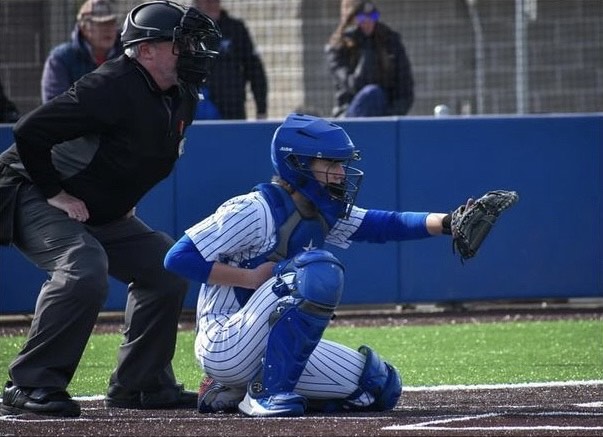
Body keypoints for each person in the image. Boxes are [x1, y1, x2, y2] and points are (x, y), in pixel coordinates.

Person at [163, 112, 467, 417]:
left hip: (267, 344)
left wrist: (448, 223)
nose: (340, 173)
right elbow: (177, 257)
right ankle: (263, 394)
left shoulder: (321, 209)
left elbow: (382, 224)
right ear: (298, 164)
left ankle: (236, 389)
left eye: (341, 164)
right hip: (225, 341)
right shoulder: (254, 210)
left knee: (377, 386)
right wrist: (250, 278)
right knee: (317, 272)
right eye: (330, 164)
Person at [0, 0, 221, 417]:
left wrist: (119, 204)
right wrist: (54, 193)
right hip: (29, 189)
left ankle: (141, 385)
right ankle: (30, 382)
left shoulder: (181, 94)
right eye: (181, 44)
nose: (191, 51)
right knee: (84, 267)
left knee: (167, 266)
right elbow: (29, 131)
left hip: (97, 206)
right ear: (147, 50)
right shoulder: (110, 85)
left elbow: (143, 157)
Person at [325, 0, 414, 118]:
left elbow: (405, 89)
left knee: (375, 95)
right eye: (362, 18)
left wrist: (391, 115)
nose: (368, 22)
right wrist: (365, 46)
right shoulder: (337, 48)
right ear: (351, 19)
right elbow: (355, 85)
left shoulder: (390, 42)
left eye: (373, 16)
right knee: (371, 94)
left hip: (385, 113)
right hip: (349, 113)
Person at [192, 0, 268, 120]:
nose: (211, 4)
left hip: (231, 109)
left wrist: (261, 109)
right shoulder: (188, 31)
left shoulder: (235, 28)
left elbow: (255, 70)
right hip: (197, 108)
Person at [41, 0, 124, 103]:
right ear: (84, 28)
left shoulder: (128, 56)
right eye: (100, 24)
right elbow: (54, 105)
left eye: (112, 23)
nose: (108, 29)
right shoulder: (60, 59)